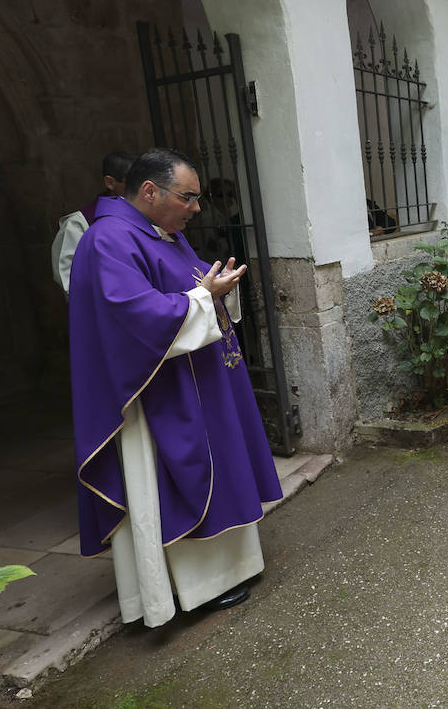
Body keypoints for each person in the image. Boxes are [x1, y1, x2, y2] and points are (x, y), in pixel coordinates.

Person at [69, 148, 282, 627]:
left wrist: (215, 288)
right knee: (172, 480)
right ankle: (191, 589)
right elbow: (136, 317)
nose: (196, 208)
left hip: (194, 378)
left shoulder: (162, 233)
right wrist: (207, 298)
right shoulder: (109, 240)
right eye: (188, 197)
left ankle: (227, 571)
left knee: (218, 463)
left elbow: (190, 284)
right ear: (149, 191)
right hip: (153, 394)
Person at [50, 151, 136, 296]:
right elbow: (70, 280)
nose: (141, 189)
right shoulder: (79, 224)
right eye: (133, 183)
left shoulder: (148, 216)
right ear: (110, 182)